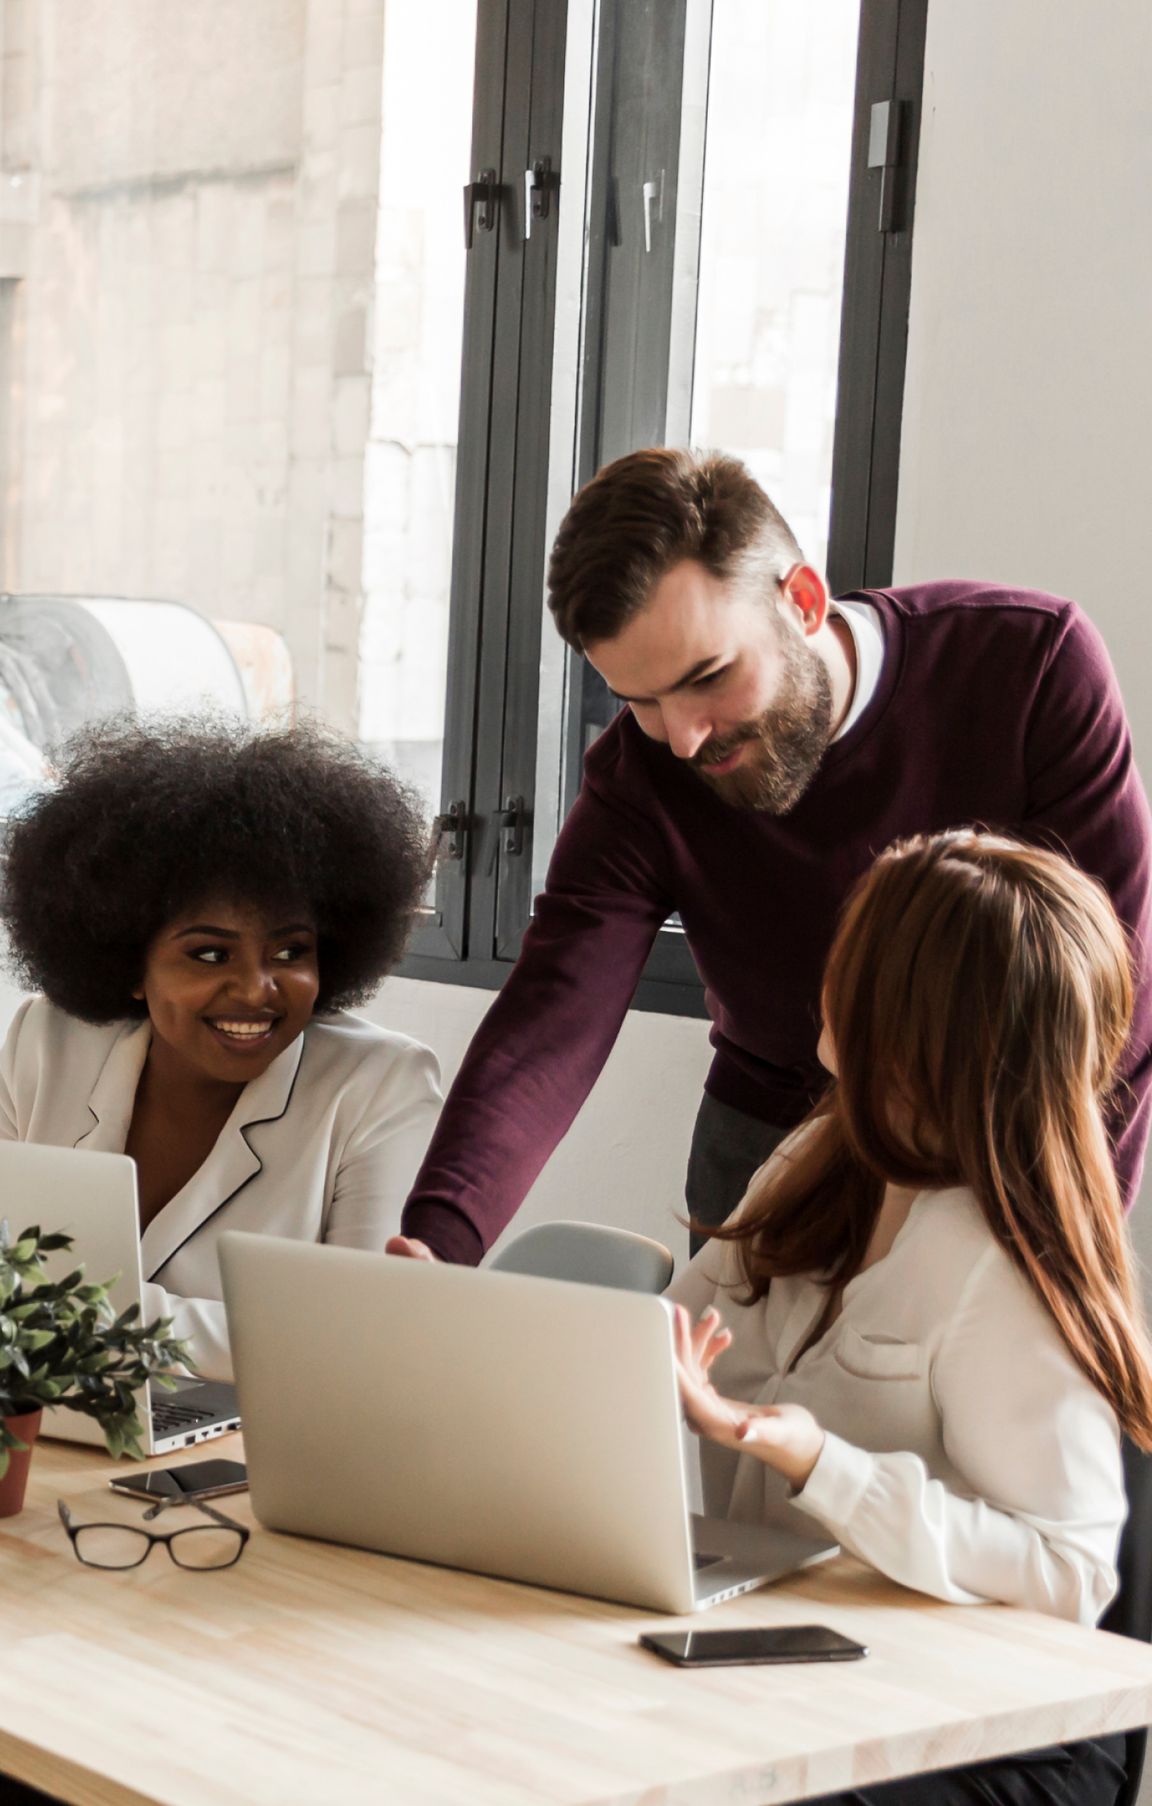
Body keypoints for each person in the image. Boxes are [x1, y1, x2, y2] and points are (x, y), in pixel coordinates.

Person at [390, 448, 1152, 1266]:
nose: (681, 737)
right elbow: (553, 1015)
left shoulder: (1029, 665)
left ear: (804, 601)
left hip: (996, 1137)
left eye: (707, 676)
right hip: (764, 1143)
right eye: (638, 701)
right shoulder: (640, 774)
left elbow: (1118, 1002)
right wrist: (438, 1247)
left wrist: (1057, 1245)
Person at [671, 829, 1151, 1806]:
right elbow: (667, 1335)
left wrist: (817, 1462)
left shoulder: (1006, 1265)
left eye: (859, 961)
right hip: (814, 1667)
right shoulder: (819, 1155)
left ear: (925, 1020)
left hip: (990, 1738)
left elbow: (1066, 1572)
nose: (829, 977)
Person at [0, 718, 442, 1380]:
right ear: (127, 963)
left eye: (290, 952)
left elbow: (354, 1337)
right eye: (210, 953)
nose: (257, 989)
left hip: (251, 1459)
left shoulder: (382, 1086)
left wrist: (69, 1318)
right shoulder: (46, 1041)